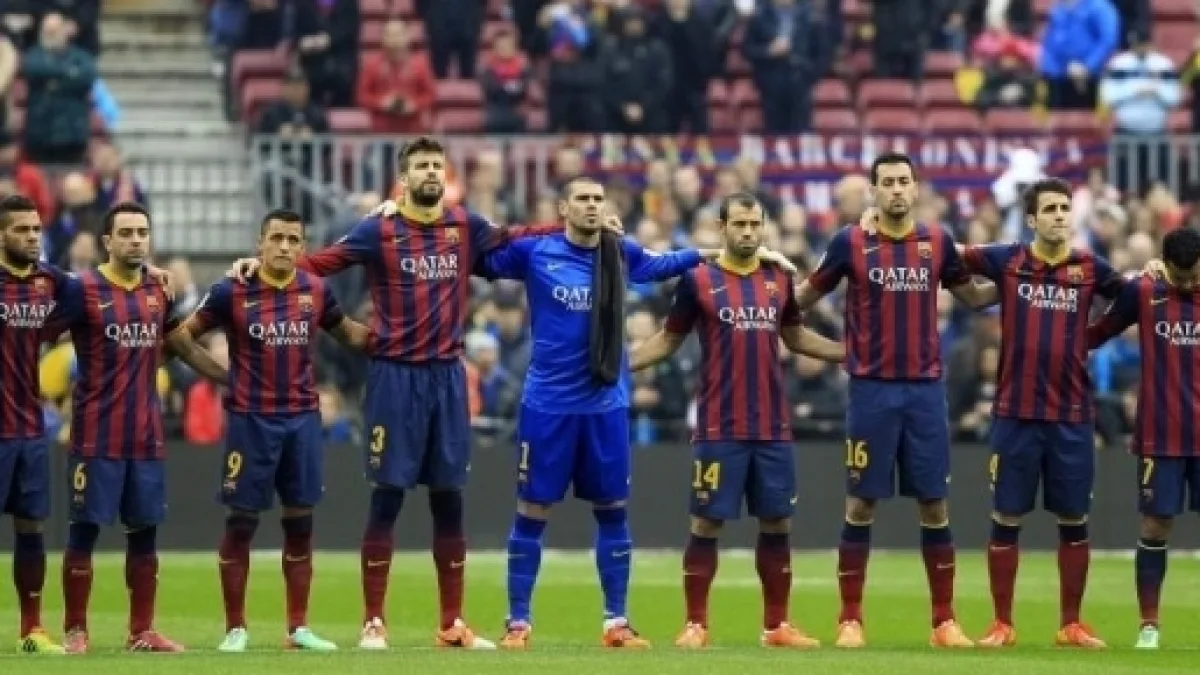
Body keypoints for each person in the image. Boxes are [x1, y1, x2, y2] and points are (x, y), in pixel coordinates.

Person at [229, 136, 563, 650]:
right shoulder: (378, 230)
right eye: (421, 166)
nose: (431, 172)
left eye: (437, 165)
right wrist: (261, 268)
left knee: (449, 500)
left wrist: (571, 227)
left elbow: (518, 234)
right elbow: (321, 263)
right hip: (394, 378)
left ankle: (452, 622)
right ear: (404, 179)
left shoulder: (464, 225)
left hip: (447, 378)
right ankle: (373, 622)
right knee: (387, 497)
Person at [478, 178, 791, 649]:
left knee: (612, 510)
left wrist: (726, 254)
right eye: (582, 199)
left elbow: (663, 264)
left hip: (605, 404)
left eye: (597, 199)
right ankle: (518, 623)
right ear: (563, 207)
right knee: (532, 511)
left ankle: (616, 623)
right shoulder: (536, 252)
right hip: (547, 405)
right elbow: (478, 253)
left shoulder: (618, 251)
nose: (591, 206)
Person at [792, 152, 994, 648]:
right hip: (872, 393)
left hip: (925, 393)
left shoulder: (937, 241)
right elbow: (802, 300)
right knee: (861, 504)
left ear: (916, 187)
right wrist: (769, 304)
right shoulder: (850, 242)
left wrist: (1023, 277)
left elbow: (974, 298)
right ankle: (850, 620)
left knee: (934, 504)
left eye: (905, 181)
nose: (898, 189)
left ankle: (944, 622)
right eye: (888, 182)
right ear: (874, 191)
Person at [628, 192, 845, 649]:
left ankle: (777, 626)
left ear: (763, 227)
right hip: (719, 424)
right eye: (739, 224)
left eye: (754, 224)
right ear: (722, 227)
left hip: (772, 425)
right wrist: (618, 367)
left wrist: (848, 353)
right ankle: (696, 624)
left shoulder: (778, 280)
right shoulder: (698, 280)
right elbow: (668, 339)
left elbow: (795, 336)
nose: (748, 232)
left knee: (777, 523)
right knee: (706, 523)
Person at [180, 209, 371, 652]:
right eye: (277, 238)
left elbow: (348, 334)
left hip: (302, 420)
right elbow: (183, 337)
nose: (284, 246)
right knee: (241, 523)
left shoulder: (315, 290)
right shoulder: (232, 290)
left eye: (293, 240)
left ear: (302, 247)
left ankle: (298, 628)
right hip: (251, 421)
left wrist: (400, 341)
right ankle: (235, 628)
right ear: (260, 243)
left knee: (300, 523)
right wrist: (221, 375)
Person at [48, 202, 228, 654]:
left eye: (142, 232)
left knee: (144, 532)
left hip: (145, 436)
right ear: (107, 241)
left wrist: (231, 378)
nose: (135, 240)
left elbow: (180, 344)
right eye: (126, 233)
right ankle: (75, 630)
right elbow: (38, 332)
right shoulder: (82, 290)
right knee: (84, 530)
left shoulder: (157, 290)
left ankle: (141, 631)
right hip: (95, 434)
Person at [956, 178, 1123, 649]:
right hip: (1015, 413)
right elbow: (948, 252)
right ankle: (1002, 624)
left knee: (1073, 518)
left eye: (1064, 208)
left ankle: (1071, 624)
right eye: (1049, 209)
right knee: (1006, 516)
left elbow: (1134, 299)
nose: (1059, 216)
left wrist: (1095, 335)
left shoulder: (1091, 267)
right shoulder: (1007, 259)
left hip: (1071, 416)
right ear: (1031, 219)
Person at [1087, 227, 1200, 651]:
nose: (1187, 283)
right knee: (1156, 525)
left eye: (1195, 276)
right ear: (1164, 264)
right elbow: (1100, 331)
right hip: (1160, 432)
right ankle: (1149, 624)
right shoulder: (1145, 291)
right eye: (1181, 276)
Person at [0, 195, 67, 653]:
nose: (31, 237)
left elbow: (102, 289)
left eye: (36, 230)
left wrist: (152, 274)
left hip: (29, 427)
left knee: (31, 527)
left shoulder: (50, 281)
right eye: (21, 230)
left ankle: (32, 629)